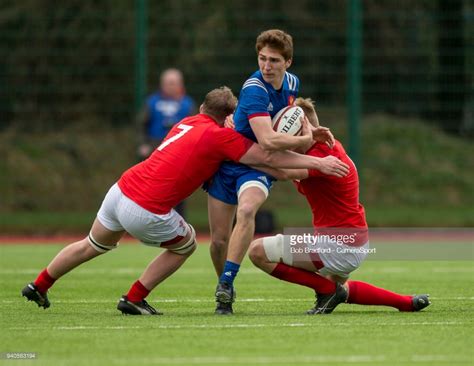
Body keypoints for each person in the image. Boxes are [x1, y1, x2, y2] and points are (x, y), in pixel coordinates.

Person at [21, 87, 350, 315]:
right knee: (186, 244)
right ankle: (135, 298)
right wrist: (316, 158)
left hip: (120, 190)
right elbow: (269, 159)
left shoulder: (186, 122)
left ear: (201, 109)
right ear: (227, 117)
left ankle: (40, 284)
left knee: (91, 244)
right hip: (145, 207)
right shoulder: (222, 136)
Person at [248, 97, 431, 314]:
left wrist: (238, 152)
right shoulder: (326, 146)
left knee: (257, 251)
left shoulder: (320, 157)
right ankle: (407, 302)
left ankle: (327, 291)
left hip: (336, 244)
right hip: (355, 240)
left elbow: (281, 170)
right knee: (340, 287)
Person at [206, 29, 337, 315]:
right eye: (262, 59)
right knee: (218, 240)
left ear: (288, 62)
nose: (266, 66)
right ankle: (224, 283)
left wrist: (309, 129)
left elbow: (279, 128)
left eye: (274, 60)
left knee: (248, 210)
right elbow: (268, 139)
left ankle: (225, 285)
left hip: (260, 166)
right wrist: (306, 140)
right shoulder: (254, 89)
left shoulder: (292, 83)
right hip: (231, 163)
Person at [136, 68, 195, 217]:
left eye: (174, 83)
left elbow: (196, 129)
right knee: (152, 190)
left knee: (178, 191)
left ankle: (180, 224)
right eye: (168, 83)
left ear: (180, 84)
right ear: (162, 84)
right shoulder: (152, 103)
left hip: (180, 154)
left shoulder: (188, 104)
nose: (171, 86)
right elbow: (141, 125)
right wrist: (143, 144)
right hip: (155, 151)